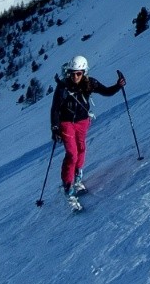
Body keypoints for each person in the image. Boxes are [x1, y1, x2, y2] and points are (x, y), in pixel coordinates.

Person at [49, 54, 125, 205]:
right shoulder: (63, 87)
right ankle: (68, 184)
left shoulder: (89, 83)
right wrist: (55, 128)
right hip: (66, 123)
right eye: (73, 73)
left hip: (83, 121)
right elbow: (55, 109)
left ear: (84, 72)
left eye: (78, 73)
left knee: (81, 149)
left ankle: (77, 177)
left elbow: (106, 91)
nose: (75, 76)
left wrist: (118, 86)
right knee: (72, 153)